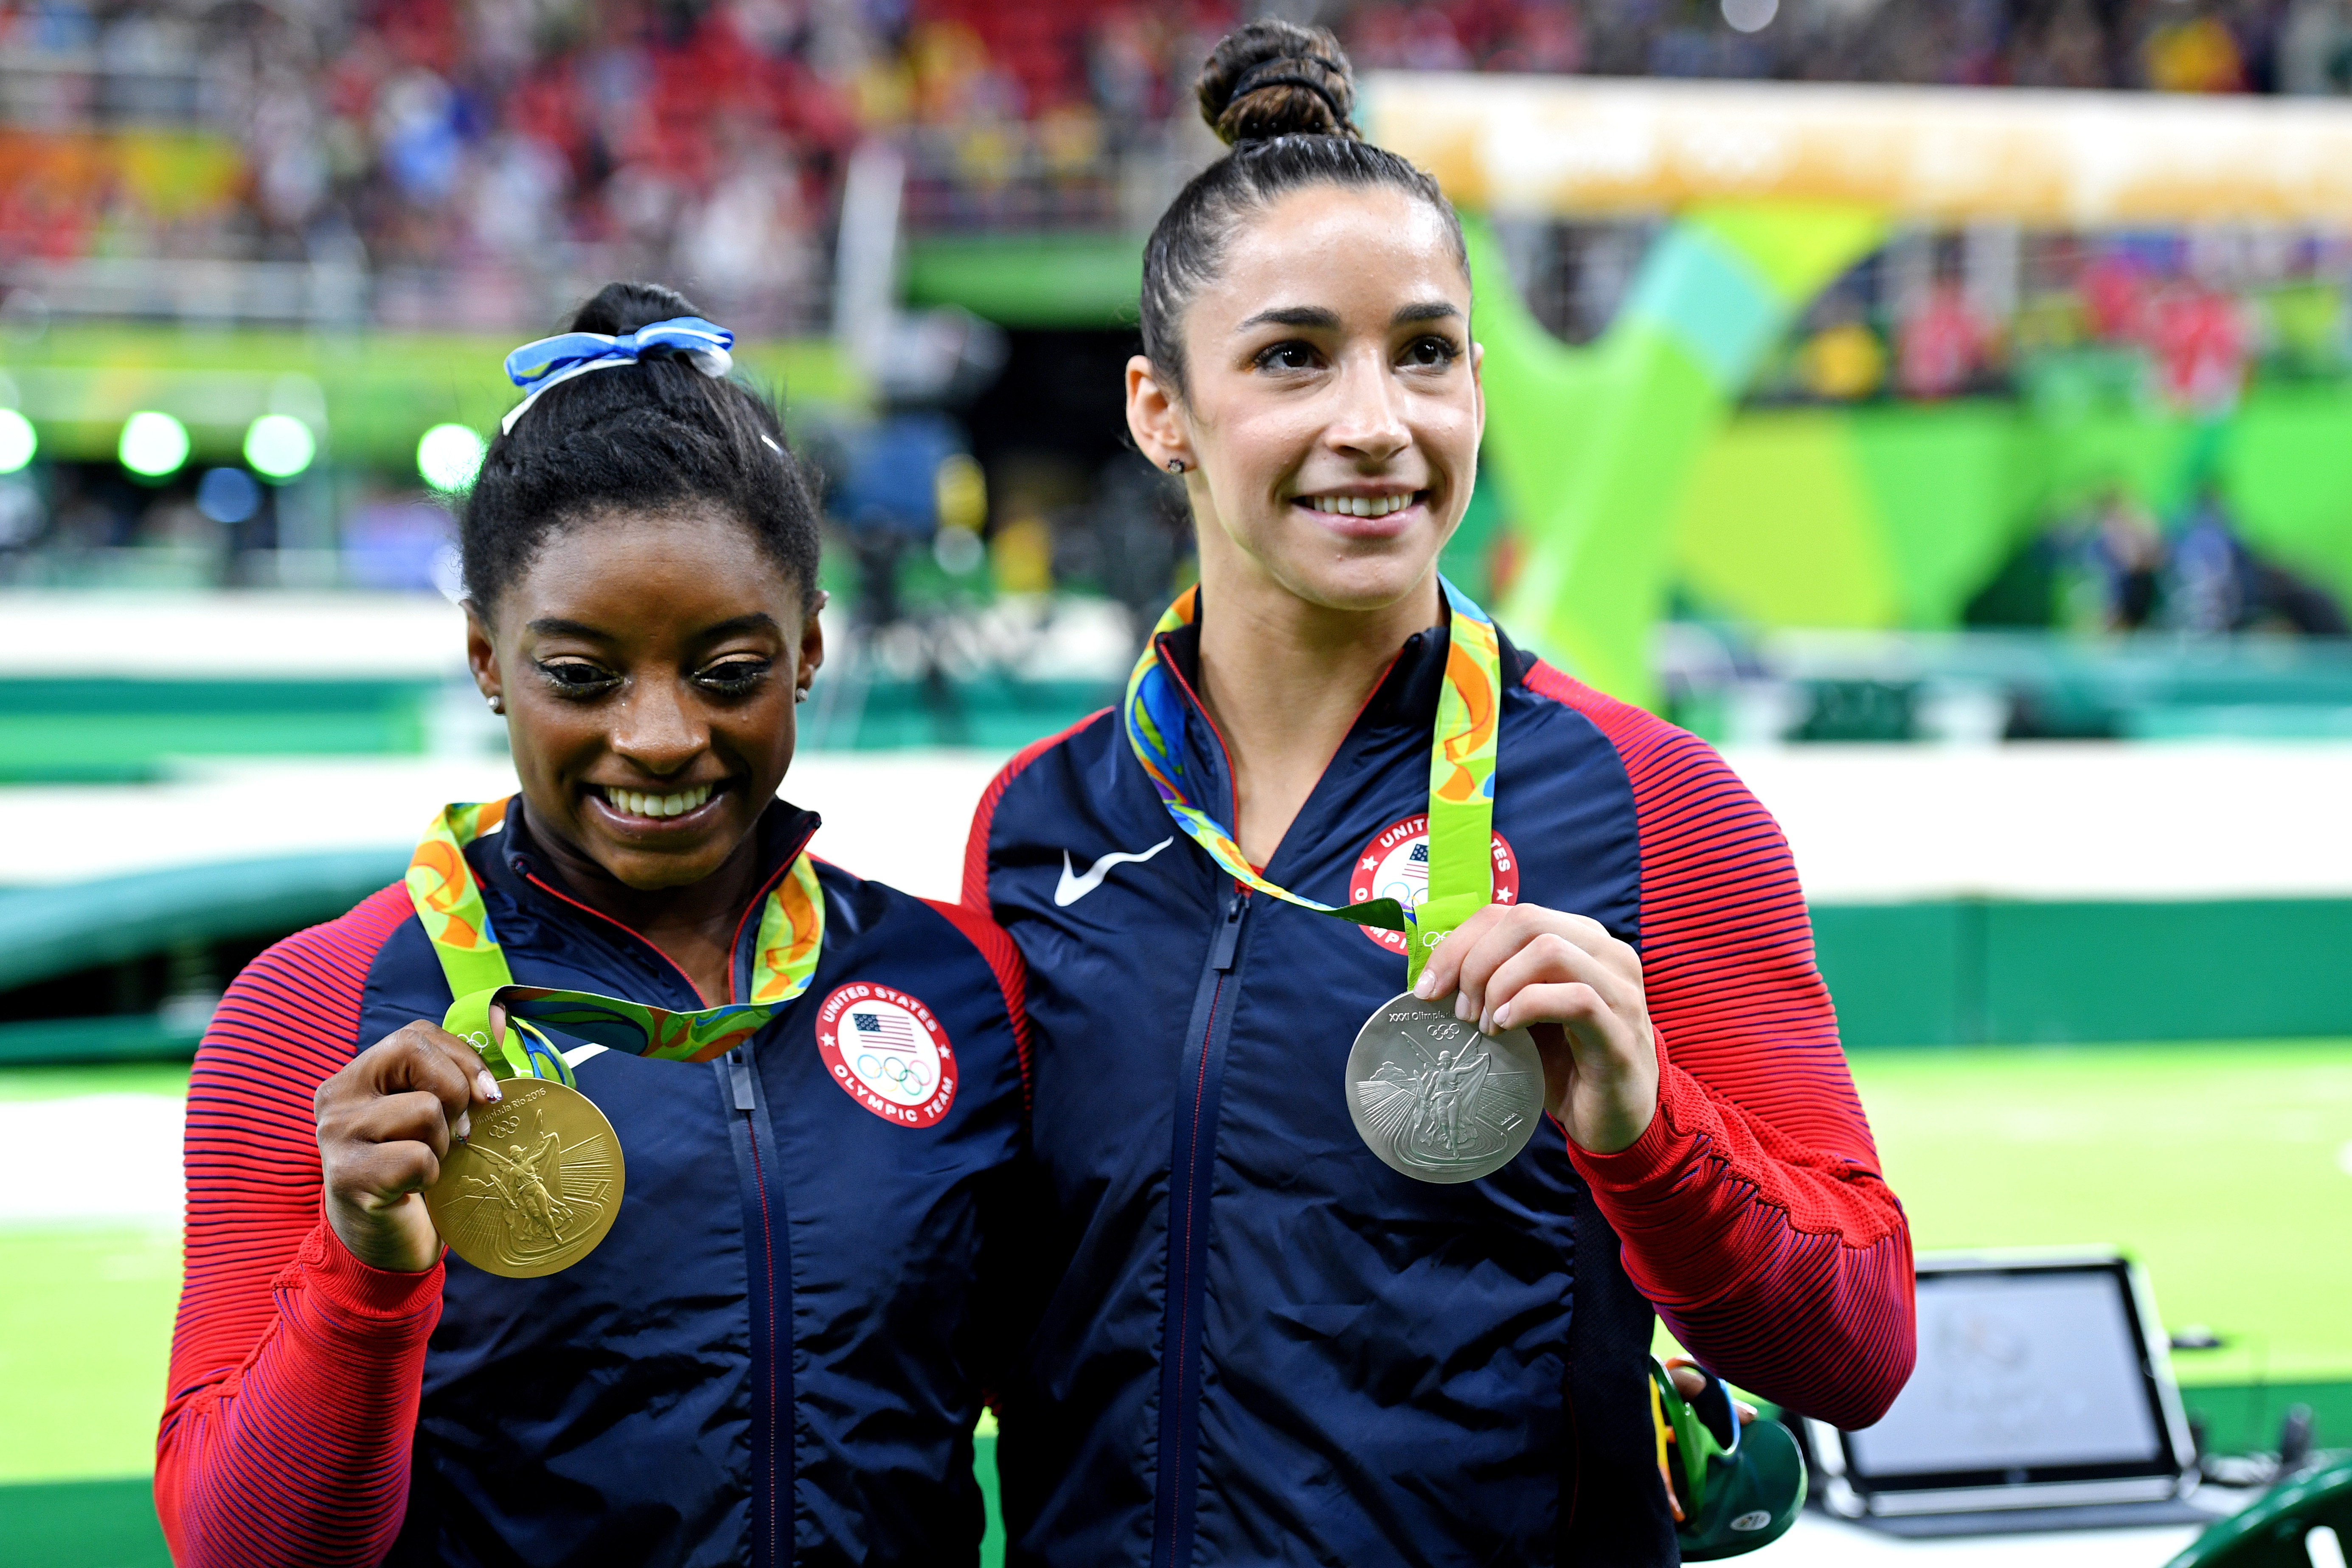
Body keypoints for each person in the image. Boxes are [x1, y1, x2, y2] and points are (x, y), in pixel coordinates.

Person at [964, 21, 1915, 1564]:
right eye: (1291, 358)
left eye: (1422, 352)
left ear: (1477, 379)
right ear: (1161, 413)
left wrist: (1644, 1127)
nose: (1375, 424)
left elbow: (1858, 1346)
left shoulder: (1652, 800)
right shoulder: (1040, 821)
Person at [157, 283, 1031, 1567]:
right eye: (582, 676)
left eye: (730, 672)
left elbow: (1099, 1428)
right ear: (483, 659)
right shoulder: (320, 1006)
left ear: (810, 650)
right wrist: (365, 1277)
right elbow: (239, 1555)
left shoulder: (958, 986)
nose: (663, 736)